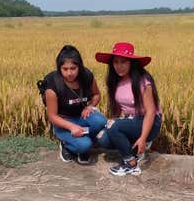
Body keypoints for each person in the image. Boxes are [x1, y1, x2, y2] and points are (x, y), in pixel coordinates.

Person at [95, 42, 162, 176]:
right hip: (131, 121)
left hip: (149, 121)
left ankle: (131, 163)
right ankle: (134, 150)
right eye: (116, 62)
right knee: (103, 139)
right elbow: (118, 107)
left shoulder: (143, 81)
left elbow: (150, 112)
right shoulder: (115, 81)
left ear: (131, 62)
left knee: (114, 127)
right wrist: (112, 121)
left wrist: (143, 138)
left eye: (124, 62)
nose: (119, 66)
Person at [43, 45, 107, 164]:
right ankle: (67, 145)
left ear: (79, 67)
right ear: (59, 68)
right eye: (65, 69)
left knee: (100, 121)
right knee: (84, 145)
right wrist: (71, 127)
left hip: (82, 117)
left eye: (73, 68)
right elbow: (52, 116)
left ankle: (86, 140)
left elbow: (96, 94)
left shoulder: (87, 76)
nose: (69, 73)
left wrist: (90, 106)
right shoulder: (53, 86)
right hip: (63, 123)